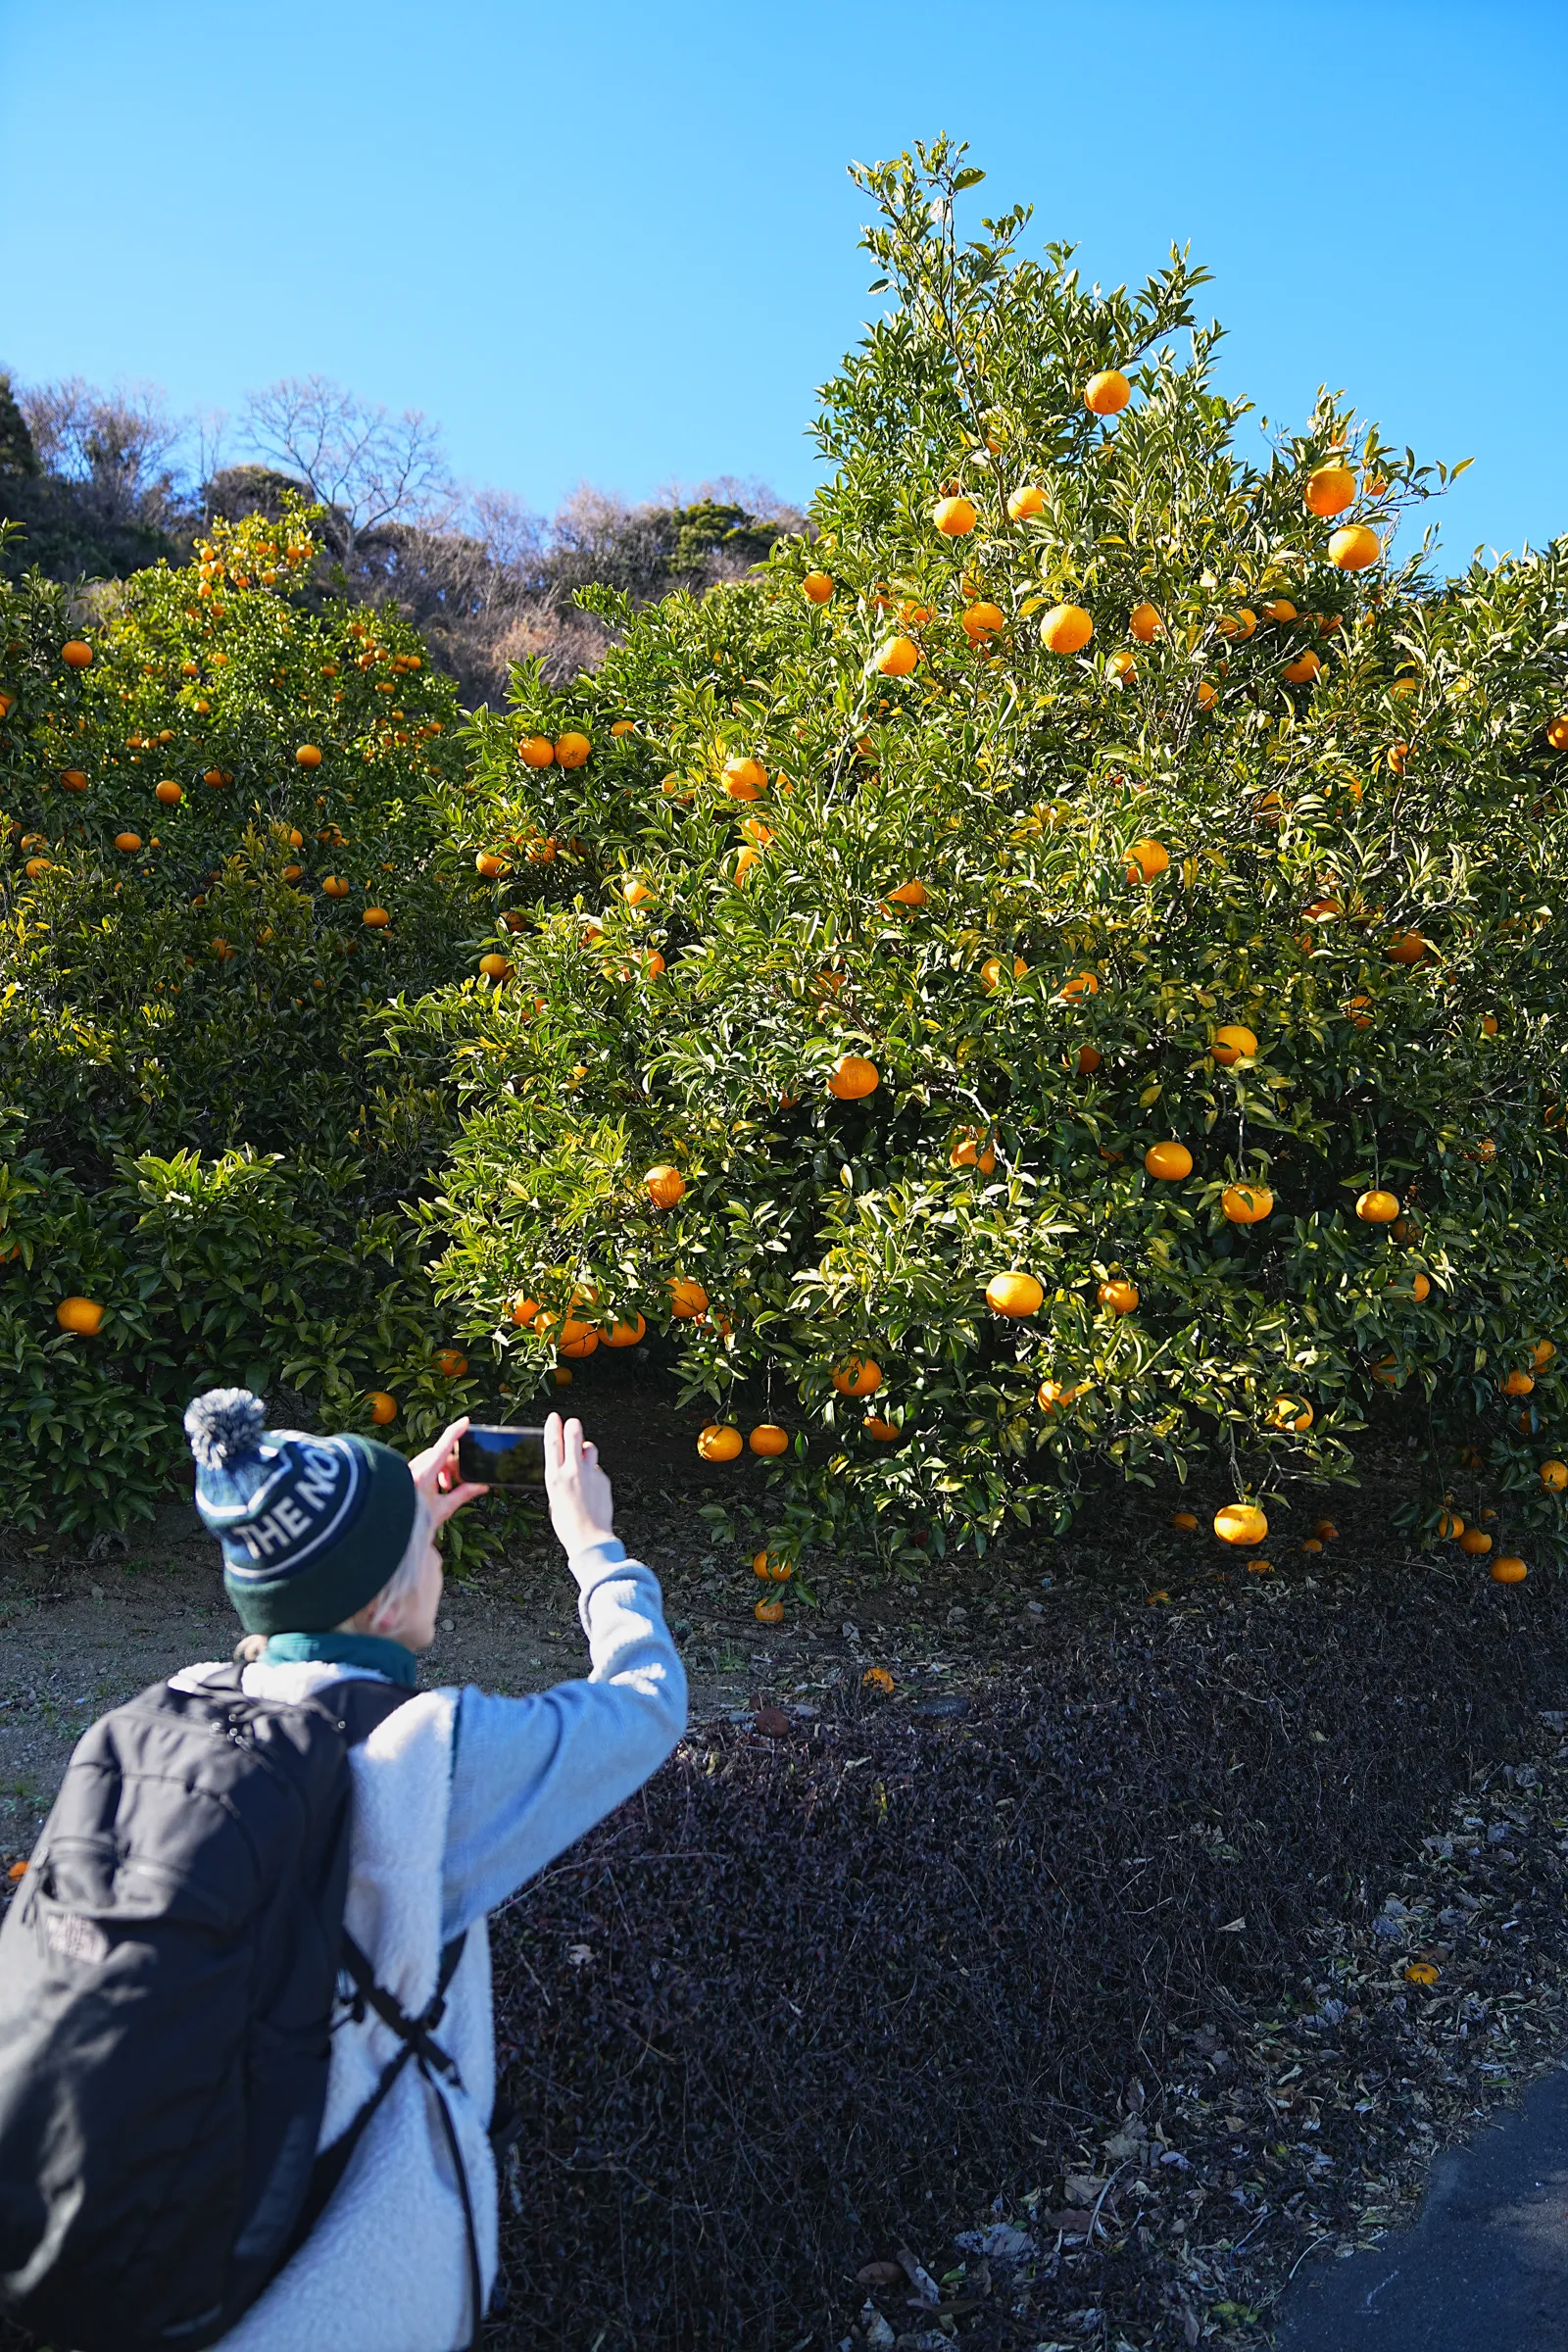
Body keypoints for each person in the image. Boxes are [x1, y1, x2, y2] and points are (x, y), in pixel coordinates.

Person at [177, 1394, 687, 2349]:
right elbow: (646, 1702)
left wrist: (385, 1525)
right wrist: (594, 1548)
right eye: (428, 1553)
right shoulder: (428, 1763)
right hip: (342, 2298)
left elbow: (298, 1601)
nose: (439, 1563)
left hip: (177, 2259)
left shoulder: (177, 1711)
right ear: (387, 1604)